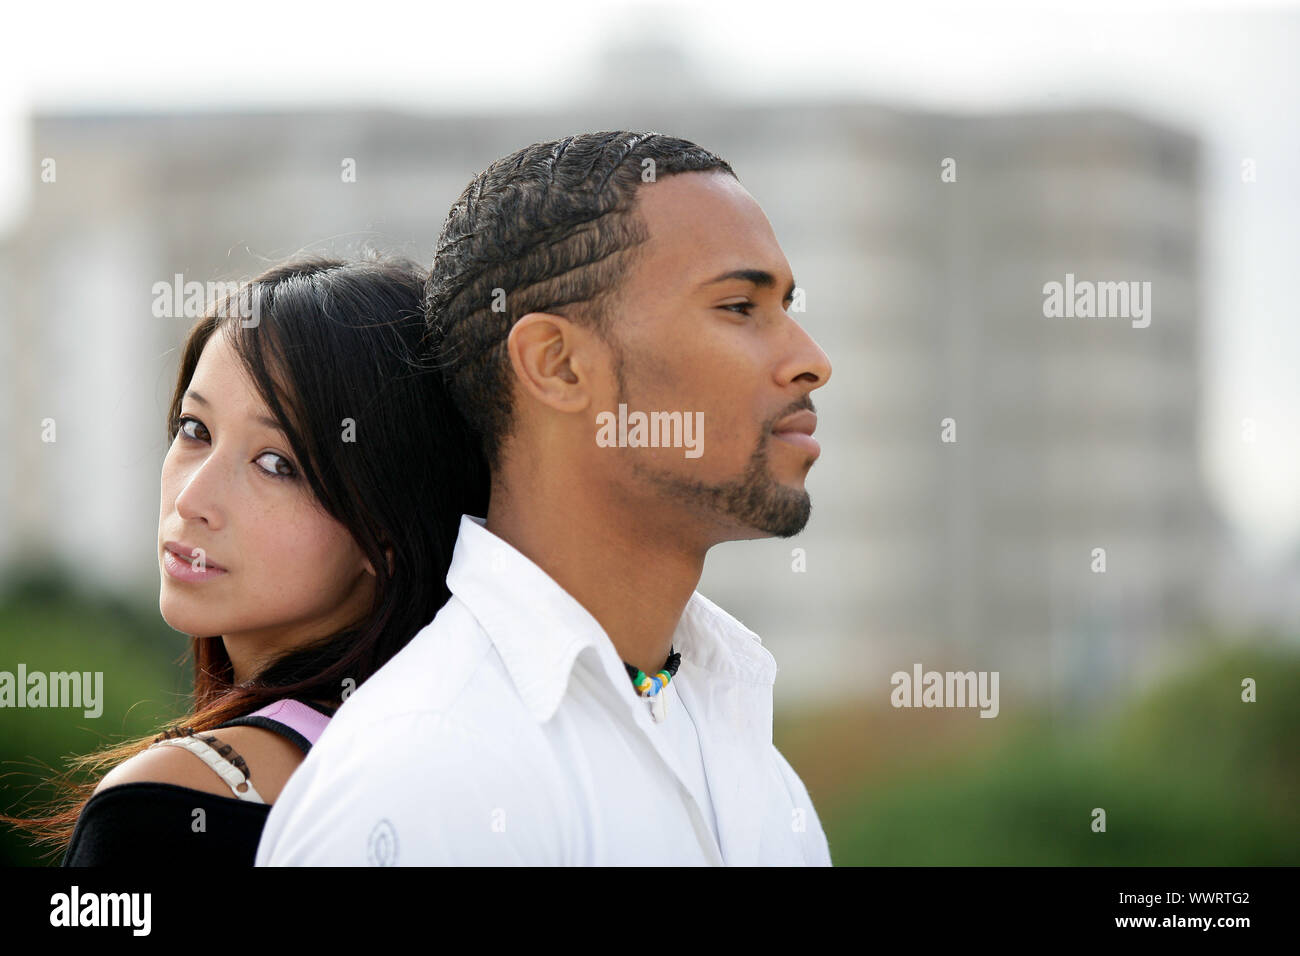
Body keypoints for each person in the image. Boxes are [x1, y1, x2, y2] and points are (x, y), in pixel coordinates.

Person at [257, 131, 834, 866]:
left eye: (786, 305)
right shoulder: (427, 777)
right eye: (739, 307)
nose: (811, 361)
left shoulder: (740, 747)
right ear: (557, 365)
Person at [2, 253, 488, 865]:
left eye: (275, 464)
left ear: (385, 530)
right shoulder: (465, 775)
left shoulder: (168, 806)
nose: (192, 498)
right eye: (194, 428)